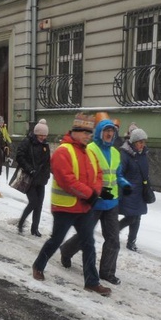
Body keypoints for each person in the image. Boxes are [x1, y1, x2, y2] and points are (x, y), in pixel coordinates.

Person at [31, 113, 111, 296]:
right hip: (65, 208)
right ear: (74, 132)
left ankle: (92, 282)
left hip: (84, 207)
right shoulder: (63, 151)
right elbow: (67, 180)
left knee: (89, 243)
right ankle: (38, 265)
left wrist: (95, 191)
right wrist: (90, 194)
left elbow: (99, 175)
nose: (87, 136)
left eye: (89, 133)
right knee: (56, 240)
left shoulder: (90, 151)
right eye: (83, 132)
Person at [59, 116, 131, 285]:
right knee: (86, 234)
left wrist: (125, 184)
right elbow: (84, 175)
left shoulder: (115, 152)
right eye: (106, 131)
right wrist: (94, 192)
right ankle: (66, 250)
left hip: (112, 202)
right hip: (94, 201)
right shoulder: (89, 149)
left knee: (113, 238)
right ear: (99, 132)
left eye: (112, 131)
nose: (109, 134)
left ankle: (106, 272)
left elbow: (117, 174)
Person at [16, 118, 51, 236]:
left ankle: (34, 229)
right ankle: (21, 223)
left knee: (39, 205)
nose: (42, 137)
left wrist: (46, 175)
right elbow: (19, 156)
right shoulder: (27, 142)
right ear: (36, 133)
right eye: (40, 135)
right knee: (33, 202)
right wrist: (29, 169)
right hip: (29, 178)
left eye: (44, 135)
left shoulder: (45, 145)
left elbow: (47, 162)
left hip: (41, 179)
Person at [118, 127, 150, 252]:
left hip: (140, 191)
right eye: (140, 142)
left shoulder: (143, 154)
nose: (142, 145)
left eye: (144, 142)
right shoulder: (125, 155)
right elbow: (120, 173)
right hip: (129, 191)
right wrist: (125, 186)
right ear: (133, 142)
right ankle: (113, 231)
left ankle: (131, 242)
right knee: (132, 217)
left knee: (138, 217)